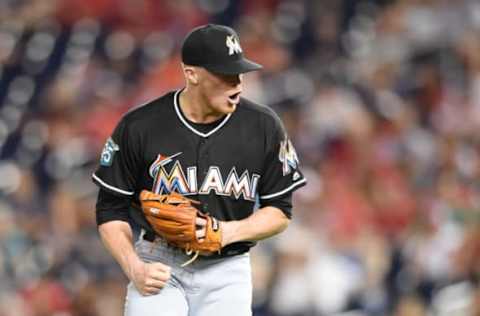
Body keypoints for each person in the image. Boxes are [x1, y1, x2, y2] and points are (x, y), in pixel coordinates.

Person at [92, 24, 307, 316]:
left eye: (239, 74)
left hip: (227, 268)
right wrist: (134, 267)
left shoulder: (263, 126)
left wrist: (226, 231)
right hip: (159, 260)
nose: (238, 85)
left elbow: (280, 211)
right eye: (226, 76)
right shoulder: (141, 126)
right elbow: (110, 209)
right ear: (191, 74)